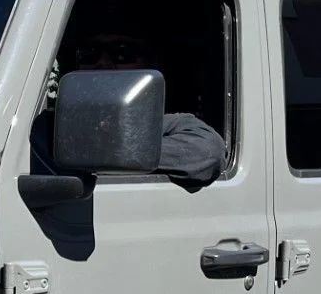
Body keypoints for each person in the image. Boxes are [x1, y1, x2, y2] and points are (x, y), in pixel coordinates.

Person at [68, 30, 227, 184]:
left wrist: (98, 152)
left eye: (122, 53)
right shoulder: (58, 123)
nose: (102, 63)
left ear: (149, 65)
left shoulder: (163, 124)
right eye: (89, 53)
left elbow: (207, 152)